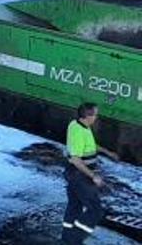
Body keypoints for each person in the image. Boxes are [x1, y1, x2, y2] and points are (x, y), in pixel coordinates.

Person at [62, 102, 120, 244]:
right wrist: (93, 176)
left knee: (74, 206)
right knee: (95, 211)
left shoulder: (77, 124)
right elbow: (75, 159)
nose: (96, 117)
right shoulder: (79, 131)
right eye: (95, 114)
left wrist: (107, 152)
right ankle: (74, 240)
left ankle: (66, 237)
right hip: (79, 175)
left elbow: (90, 144)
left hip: (73, 174)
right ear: (88, 116)